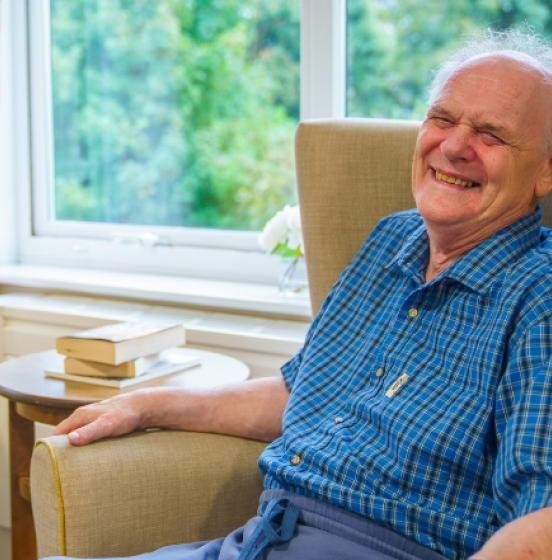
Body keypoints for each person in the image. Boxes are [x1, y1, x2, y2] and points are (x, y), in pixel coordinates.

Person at [50, 30, 552, 560]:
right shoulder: (391, 240)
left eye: (491, 135)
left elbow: (543, 514)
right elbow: (304, 391)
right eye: (443, 119)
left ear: (546, 169)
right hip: (259, 539)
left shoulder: (539, 295)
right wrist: (148, 406)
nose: (453, 147)